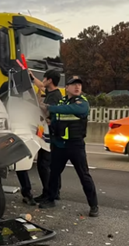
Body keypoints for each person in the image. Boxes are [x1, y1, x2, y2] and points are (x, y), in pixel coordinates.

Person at [38, 76, 99, 217]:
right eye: (74, 85)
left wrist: (50, 108)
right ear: (66, 88)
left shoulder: (82, 102)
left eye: (79, 85)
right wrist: (50, 121)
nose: (77, 87)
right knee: (54, 173)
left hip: (75, 145)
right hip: (60, 145)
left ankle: (93, 205)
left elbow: (73, 110)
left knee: (84, 175)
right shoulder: (62, 102)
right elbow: (56, 119)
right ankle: (51, 198)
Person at [28, 69, 64, 202]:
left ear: (49, 80)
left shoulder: (54, 96)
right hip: (49, 135)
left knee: (44, 164)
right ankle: (53, 191)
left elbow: (50, 112)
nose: (42, 81)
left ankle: (49, 193)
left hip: (50, 135)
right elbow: (41, 86)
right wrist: (32, 77)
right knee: (49, 164)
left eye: (44, 78)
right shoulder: (52, 92)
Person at [0, 81, 36, 205]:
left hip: (5, 140)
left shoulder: (0, 105)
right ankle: (27, 193)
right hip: (14, 139)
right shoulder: (15, 105)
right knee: (20, 167)